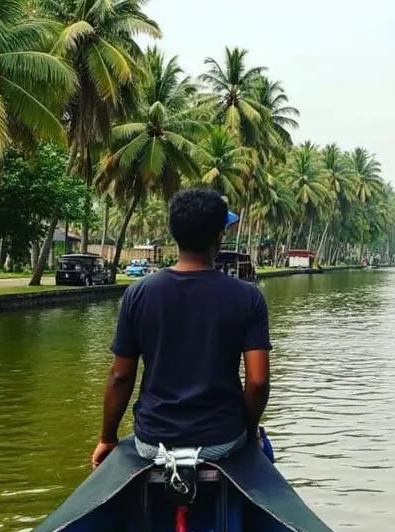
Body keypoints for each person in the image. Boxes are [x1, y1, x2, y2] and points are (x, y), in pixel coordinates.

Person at [91, 188, 271, 469]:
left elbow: (120, 377)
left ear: (174, 233)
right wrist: (248, 431)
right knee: (263, 445)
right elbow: (257, 383)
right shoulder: (248, 297)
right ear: (219, 237)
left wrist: (107, 437)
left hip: (153, 443)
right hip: (222, 441)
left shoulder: (138, 294)